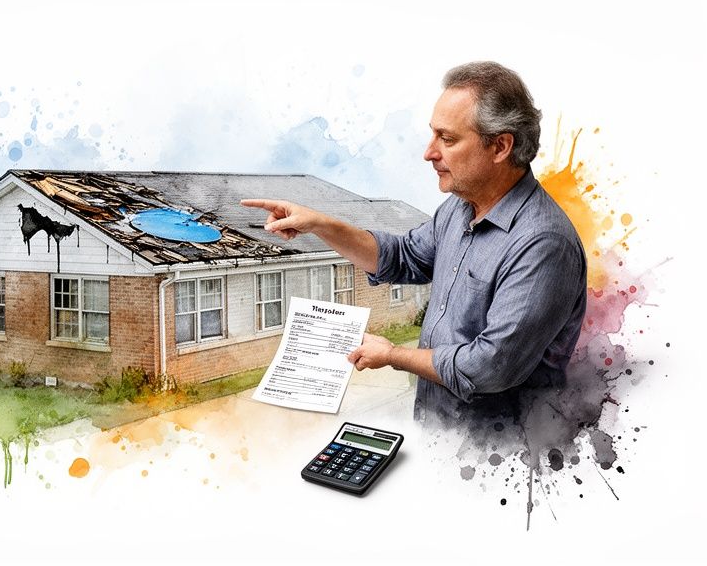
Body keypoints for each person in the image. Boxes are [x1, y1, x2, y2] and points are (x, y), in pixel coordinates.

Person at [242, 61, 587, 421]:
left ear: (500, 146)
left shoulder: (543, 244)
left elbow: (489, 366)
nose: (429, 152)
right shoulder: (458, 209)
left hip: (501, 455)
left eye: (447, 139)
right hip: (438, 432)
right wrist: (319, 223)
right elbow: (402, 257)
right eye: (433, 134)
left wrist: (393, 356)